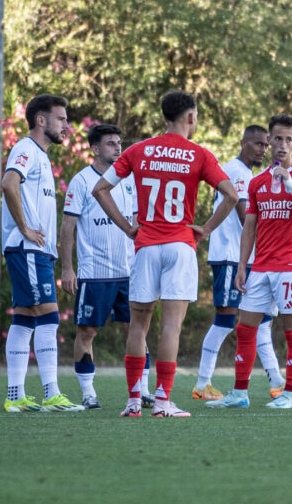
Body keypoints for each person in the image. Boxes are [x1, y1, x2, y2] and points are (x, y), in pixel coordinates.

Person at [93, 91, 237, 418]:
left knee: (138, 325)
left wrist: (127, 227)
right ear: (189, 118)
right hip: (179, 245)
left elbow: (99, 189)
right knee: (171, 325)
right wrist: (207, 228)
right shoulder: (199, 154)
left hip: (146, 246)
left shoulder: (138, 150)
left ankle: (133, 401)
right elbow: (231, 194)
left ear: (163, 117)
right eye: (196, 117)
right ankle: (161, 401)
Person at [207, 114, 292, 409]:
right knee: (245, 328)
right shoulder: (256, 182)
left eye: (288, 139)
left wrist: (291, 185)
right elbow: (249, 227)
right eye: (277, 139)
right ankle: (239, 393)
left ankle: (288, 395)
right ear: (269, 141)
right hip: (260, 267)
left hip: (291, 268)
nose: (282, 145)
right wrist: (243, 265)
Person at [1, 95, 84, 412]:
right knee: (48, 317)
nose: (67, 126)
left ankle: (15, 397)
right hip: (28, 250)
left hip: (38, 253)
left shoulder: (41, 156)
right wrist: (24, 229)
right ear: (41, 120)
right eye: (62, 119)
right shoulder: (26, 149)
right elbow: (9, 184)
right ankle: (51, 393)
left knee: (24, 320)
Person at [193, 126, 288, 400]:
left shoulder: (247, 174)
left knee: (262, 321)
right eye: (258, 144)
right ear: (243, 142)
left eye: (265, 145)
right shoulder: (236, 171)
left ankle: (277, 382)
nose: (263, 149)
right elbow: (245, 216)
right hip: (230, 257)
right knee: (224, 320)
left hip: (246, 259)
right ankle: (202, 383)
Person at [60, 124, 141, 410]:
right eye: (110, 143)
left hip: (128, 272)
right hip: (94, 274)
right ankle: (88, 392)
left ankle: (140, 391)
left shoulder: (129, 180)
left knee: (137, 328)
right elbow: (68, 227)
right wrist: (68, 269)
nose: (118, 147)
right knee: (87, 332)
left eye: (119, 142)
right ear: (95, 148)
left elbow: (137, 223)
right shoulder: (81, 181)